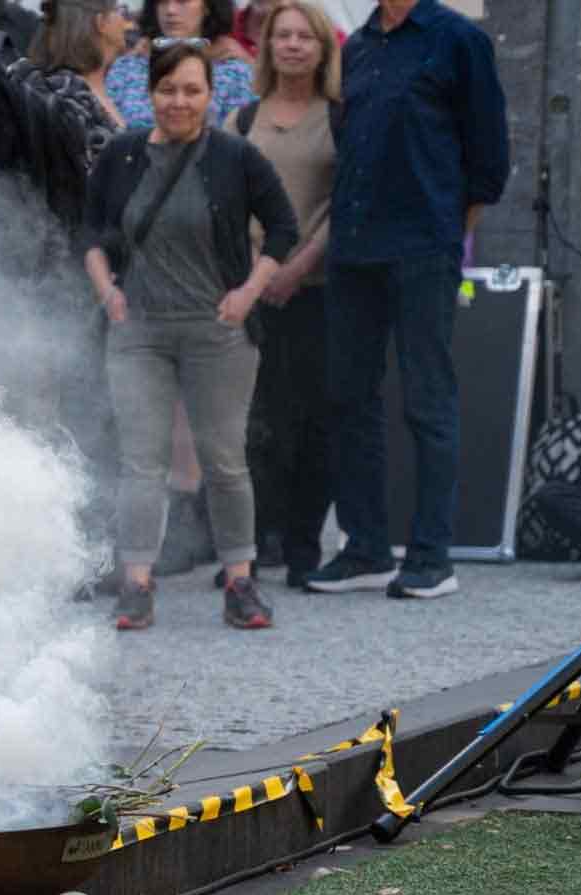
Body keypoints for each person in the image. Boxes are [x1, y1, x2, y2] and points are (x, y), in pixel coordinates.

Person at [80, 41, 297, 630]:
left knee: (224, 460)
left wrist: (248, 293)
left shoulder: (235, 156)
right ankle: (137, 585)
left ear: (210, 94)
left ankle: (241, 582)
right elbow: (93, 234)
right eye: (168, 89)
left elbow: (282, 228)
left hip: (217, 329)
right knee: (140, 463)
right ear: (150, 93)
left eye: (191, 90)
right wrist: (109, 292)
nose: (178, 101)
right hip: (138, 330)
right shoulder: (121, 154)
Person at [303, 0, 508, 601]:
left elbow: (489, 156)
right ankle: (365, 548)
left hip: (423, 246)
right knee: (348, 397)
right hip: (356, 246)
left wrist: (449, 231)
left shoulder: (456, 40)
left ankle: (431, 557)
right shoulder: (358, 47)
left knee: (427, 398)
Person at [239, 0, 340, 589]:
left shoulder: (341, 118)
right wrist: (259, 270)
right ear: (268, 44)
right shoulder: (243, 117)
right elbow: (229, 206)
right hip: (254, 291)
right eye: (284, 35)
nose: (294, 45)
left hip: (319, 288)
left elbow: (343, 204)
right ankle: (253, 543)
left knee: (313, 421)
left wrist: (299, 265)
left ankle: (305, 547)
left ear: (323, 48)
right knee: (256, 422)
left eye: (306, 36)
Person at [106, 0, 254, 130]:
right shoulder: (128, 67)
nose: (170, 10)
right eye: (162, 1)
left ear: (207, 6)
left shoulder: (235, 74)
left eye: (183, 1)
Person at [31, 0, 130, 128]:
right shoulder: (67, 100)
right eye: (118, 10)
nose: (124, 21)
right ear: (101, 23)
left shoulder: (111, 83)